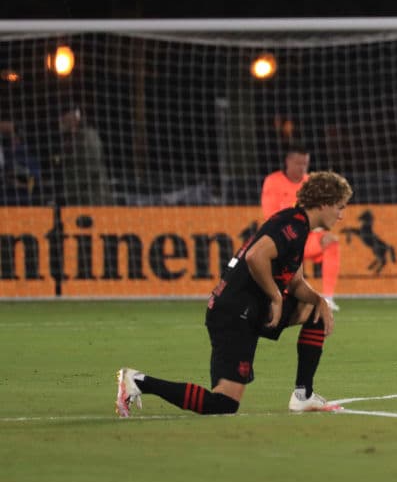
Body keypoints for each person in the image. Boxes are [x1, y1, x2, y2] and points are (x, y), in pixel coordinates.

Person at [116, 171, 354, 417]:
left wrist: (319, 300)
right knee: (223, 404)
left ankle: (303, 395)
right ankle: (138, 381)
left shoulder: (297, 225)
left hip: (249, 309)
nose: (341, 215)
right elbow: (255, 256)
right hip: (234, 313)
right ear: (324, 203)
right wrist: (276, 297)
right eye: (340, 207)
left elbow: (295, 284)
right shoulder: (292, 226)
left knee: (315, 310)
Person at [261, 144, 342, 310]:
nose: (302, 168)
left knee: (331, 241)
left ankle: (328, 298)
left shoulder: (310, 183)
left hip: (307, 238)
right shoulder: (272, 181)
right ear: (288, 161)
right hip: (283, 239)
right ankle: (274, 296)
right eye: (298, 163)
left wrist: (320, 229)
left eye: (305, 164)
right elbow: (270, 216)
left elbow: (321, 213)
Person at [56, 106, 114, 205]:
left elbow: (92, 167)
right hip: (78, 200)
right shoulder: (69, 139)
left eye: (63, 116)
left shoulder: (88, 136)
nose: (60, 120)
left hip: (94, 200)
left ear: (74, 116)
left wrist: (68, 189)